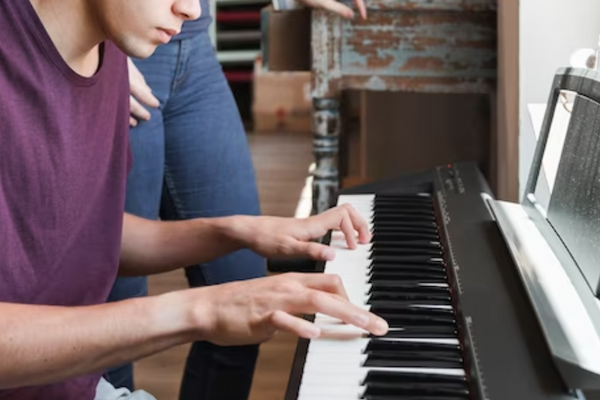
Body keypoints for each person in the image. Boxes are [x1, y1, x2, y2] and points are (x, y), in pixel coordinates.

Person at [0, 1, 387, 400]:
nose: (193, 8)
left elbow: (85, 232)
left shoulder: (107, 52)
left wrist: (237, 230)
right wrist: (198, 311)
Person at [111, 0, 368, 397]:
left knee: (247, 298)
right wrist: (91, 43)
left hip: (193, 47)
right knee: (112, 303)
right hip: (113, 45)